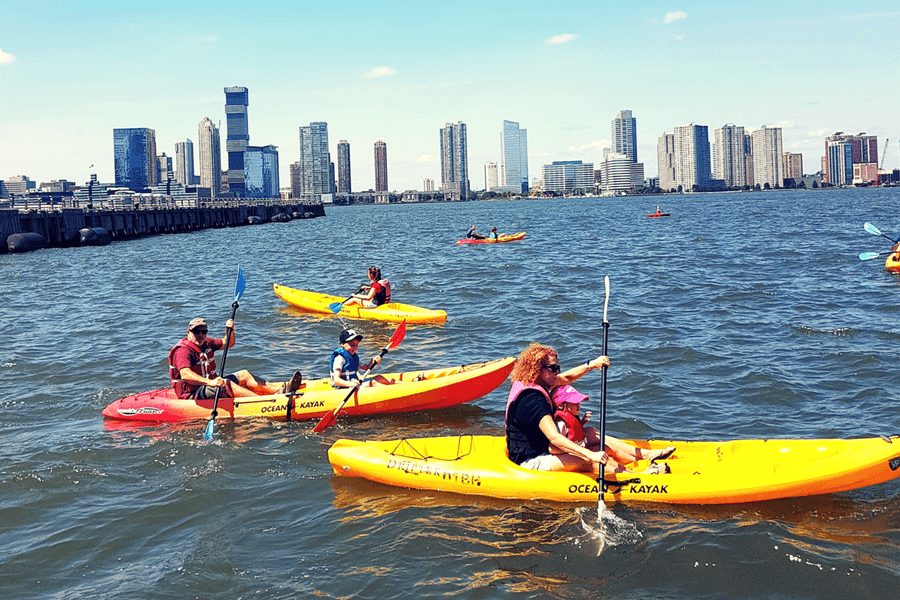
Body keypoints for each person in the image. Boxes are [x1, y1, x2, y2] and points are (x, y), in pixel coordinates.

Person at [505, 343, 673, 474]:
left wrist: (592, 365)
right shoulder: (532, 399)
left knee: (591, 434)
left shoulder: (537, 380)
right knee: (588, 459)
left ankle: (645, 455)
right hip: (532, 460)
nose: (558, 372)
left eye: (558, 367)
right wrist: (590, 455)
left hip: (545, 447)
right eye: (553, 368)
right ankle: (637, 476)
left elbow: (567, 377)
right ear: (537, 370)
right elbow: (555, 438)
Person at [549, 384, 675, 471]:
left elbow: (573, 433)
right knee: (603, 458)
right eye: (575, 402)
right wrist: (574, 451)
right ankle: (631, 474)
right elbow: (554, 447)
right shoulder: (560, 423)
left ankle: (644, 458)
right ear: (562, 406)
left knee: (600, 442)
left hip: (581, 447)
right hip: (573, 455)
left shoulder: (571, 418)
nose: (579, 404)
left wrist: (581, 424)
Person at [168, 318, 302, 399]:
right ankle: (263, 402)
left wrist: (230, 330)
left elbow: (228, 343)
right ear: (188, 332)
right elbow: (185, 374)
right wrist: (211, 383)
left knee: (244, 374)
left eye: (203, 331)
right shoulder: (183, 351)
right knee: (226, 383)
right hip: (193, 393)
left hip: (208, 385)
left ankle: (280, 391)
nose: (200, 335)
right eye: (196, 332)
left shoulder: (206, 343)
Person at [330, 328, 395, 388]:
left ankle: (394, 387)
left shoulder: (354, 357)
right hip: (345, 387)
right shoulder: (339, 358)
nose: (355, 347)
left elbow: (367, 368)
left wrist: (373, 362)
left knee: (379, 378)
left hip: (355, 383)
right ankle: (391, 394)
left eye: (357, 344)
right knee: (373, 383)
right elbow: (336, 380)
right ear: (342, 344)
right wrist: (351, 384)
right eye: (352, 345)